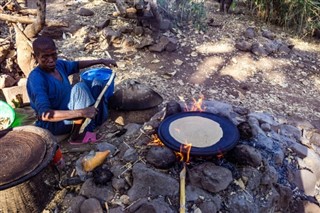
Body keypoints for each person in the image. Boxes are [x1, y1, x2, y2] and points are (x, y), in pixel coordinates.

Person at [27, 36, 117, 141]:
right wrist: (81, 112)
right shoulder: (37, 79)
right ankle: (76, 136)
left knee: (96, 84)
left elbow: (76, 65)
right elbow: (45, 115)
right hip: (54, 124)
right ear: (35, 57)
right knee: (80, 89)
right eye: (45, 57)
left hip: (67, 111)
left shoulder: (59, 65)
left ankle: (92, 123)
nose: (51, 60)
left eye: (53, 55)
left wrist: (101, 61)